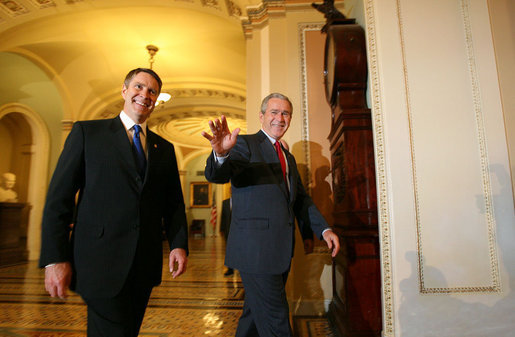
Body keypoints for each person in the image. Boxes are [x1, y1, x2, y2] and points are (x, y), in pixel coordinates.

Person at [39, 68, 189, 337]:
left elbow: (174, 203)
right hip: (99, 264)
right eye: (139, 87)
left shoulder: (163, 149)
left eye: (152, 91)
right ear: (124, 90)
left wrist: (178, 244)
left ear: (156, 100)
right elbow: (58, 200)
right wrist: (54, 258)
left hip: (143, 265)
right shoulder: (88, 134)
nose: (145, 94)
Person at [201, 92, 340, 336]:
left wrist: (324, 228)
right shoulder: (244, 144)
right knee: (276, 321)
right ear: (262, 116)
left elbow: (300, 201)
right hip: (255, 252)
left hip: (280, 250)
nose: (280, 118)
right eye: (274, 112)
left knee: (254, 316)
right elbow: (218, 175)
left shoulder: (287, 156)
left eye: (285, 113)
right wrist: (221, 154)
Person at [220, 197, 234, 276]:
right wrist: (221, 229)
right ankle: (230, 269)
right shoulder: (225, 202)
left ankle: (242, 269)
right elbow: (223, 216)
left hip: (240, 231)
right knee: (229, 250)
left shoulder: (241, 200)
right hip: (228, 231)